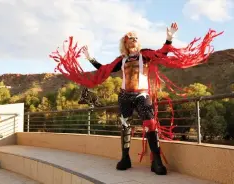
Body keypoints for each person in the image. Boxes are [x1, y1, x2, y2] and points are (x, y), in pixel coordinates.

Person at [50, 22, 222, 176]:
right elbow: (104, 69)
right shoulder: (122, 60)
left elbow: (161, 53)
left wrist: (169, 39)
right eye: (129, 38)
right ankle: (125, 159)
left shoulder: (145, 55)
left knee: (150, 125)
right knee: (125, 126)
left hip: (142, 94)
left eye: (135, 38)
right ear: (125, 43)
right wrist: (90, 58)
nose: (132, 40)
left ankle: (157, 162)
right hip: (125, 95)